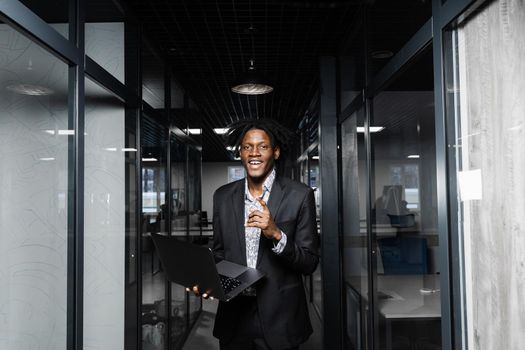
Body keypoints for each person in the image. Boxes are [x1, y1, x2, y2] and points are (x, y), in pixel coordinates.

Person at [211, 119, 319, 350]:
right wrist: (205, 281)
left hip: (281, 317)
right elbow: (219, 255)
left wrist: (276, 234)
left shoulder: (300, 195)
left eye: (263, 146)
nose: (254, 153)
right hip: (234, 316)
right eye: (247, 146)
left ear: (276, 152)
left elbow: (309, 262)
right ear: (240, 153)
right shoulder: (222, 196)